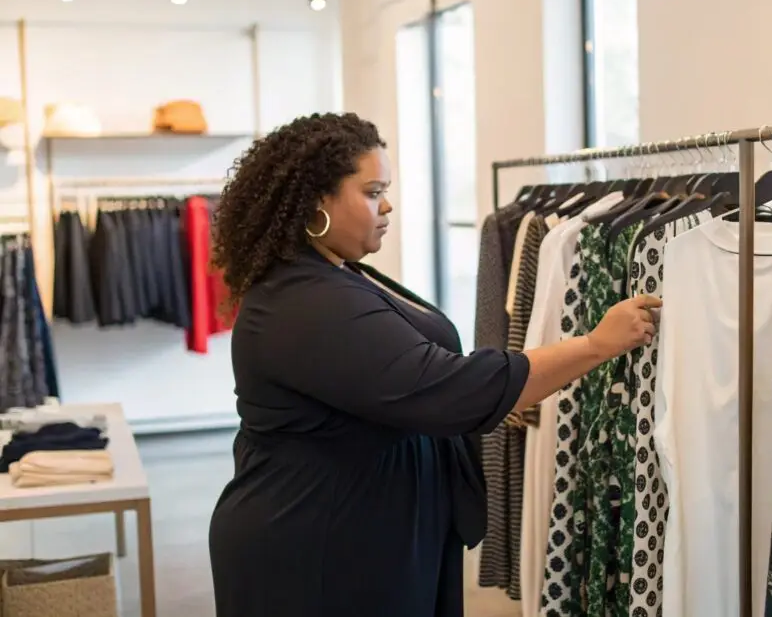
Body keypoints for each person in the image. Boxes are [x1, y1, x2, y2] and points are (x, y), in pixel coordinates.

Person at [207, 112, 659, 616]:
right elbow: (440, 386)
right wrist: (596, 345)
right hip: (318, 543)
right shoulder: (303, 301)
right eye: (372, 190)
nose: (388, 205)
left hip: (365, 524)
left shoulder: (337, 274)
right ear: (317, 200)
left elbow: (401, 377)